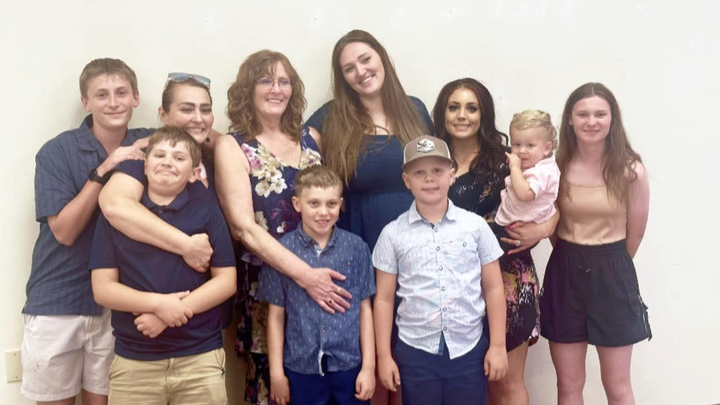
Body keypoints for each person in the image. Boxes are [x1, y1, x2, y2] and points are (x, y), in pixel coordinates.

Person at [306, 29, 433, 404]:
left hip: (416, 245)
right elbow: (286, 150)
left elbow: (438, 171)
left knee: (409, 356)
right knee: (370, 358)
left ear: (382, 58)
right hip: (359, 247)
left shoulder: (415, 110)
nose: (360, 71)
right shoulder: (331, 117)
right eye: (349, 68)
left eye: (365, 59)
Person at [214, 49, 348, 405]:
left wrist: (318, 277)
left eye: (284, 81)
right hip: (268, 286)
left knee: (321, 382)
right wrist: (304, 275)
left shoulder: (312, 138)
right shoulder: (233, 146)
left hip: (322, 283)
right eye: (265, 80)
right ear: (248, 89)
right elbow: (243, 227)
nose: (276, 89)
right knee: (272, 387)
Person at [21, 58, 151, 405]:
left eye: (121, 92)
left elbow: (197, 133)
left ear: (136, 98)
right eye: (102, 94)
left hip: (117, 302)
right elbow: (64, 232)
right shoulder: (57, 151)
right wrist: (106, 167)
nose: (113, 102)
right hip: (59, 300)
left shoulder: (149, 143)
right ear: (85, 102)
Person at [433, 78, 559, 405]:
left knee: (506, 383)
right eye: (454, 107)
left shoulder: (508, 160)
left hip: (508, 279)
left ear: (484, 114)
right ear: (442, 113)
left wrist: (544, 228)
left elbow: (551, 201)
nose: (462, 115)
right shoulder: (431, 163)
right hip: (454, 285)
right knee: (471, 384)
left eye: (471, 108)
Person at [90, 127, 236, 404]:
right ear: (144, 166)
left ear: (194, 173)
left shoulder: (207, 212)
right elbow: (103, 289)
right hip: (135, 362)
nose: (168, 162)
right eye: (159, 155)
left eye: (179, 157)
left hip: (200, 358)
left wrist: (168, 314)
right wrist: (158, 304)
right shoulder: (116, 220)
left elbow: (226, 281)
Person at [373, 135, 508, 405]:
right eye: (419, 173)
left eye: (437, 170)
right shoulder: (392, 233)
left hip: (468, 349)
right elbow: (384, 299)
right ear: (406, 180)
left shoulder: (475, 227)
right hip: (416, 351)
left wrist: (498, 345)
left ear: (452, 174)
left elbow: (494, 288)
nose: (429, 179)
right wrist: (384, 356)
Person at [540, 82, 651, 405]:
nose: (592, 121)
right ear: (570, 120)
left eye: (600, 114)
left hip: (613, 272)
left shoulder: (631, 171)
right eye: (583, 114)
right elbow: (552, 224)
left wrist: (607, 267)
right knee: (569, 384)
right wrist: (574, 258)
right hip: (565, 271)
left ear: (612, 118)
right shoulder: (555, 168)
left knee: (616, 384)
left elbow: (635, 234)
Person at [258, 165, 376, 405]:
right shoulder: (281, 252)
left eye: (331, 204)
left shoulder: (356, 248)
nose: (323, 212)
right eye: (314, 203)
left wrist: (369, 368)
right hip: (301, 368)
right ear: (297, 204)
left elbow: (365, 308)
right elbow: (276, 317)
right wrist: (277, 374)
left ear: (340, 204)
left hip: (349, 366)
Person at [99, 72, 221, 275]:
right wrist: (186, 246)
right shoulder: (145, 159)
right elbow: (114, 205)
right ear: (163, 115)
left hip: (220, 287)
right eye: (187, 109)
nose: (198, 118)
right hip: (159, 288)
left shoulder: (216, 158)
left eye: (205, 110)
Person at [493, 110, 560, 253]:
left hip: (517, 229)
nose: (522, 151)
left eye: (530, 145)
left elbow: (525, 194)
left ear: (547, 148)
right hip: (511, 222)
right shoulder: (532, 164)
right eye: (516, 144)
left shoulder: (544, 172)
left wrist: (515, 168)